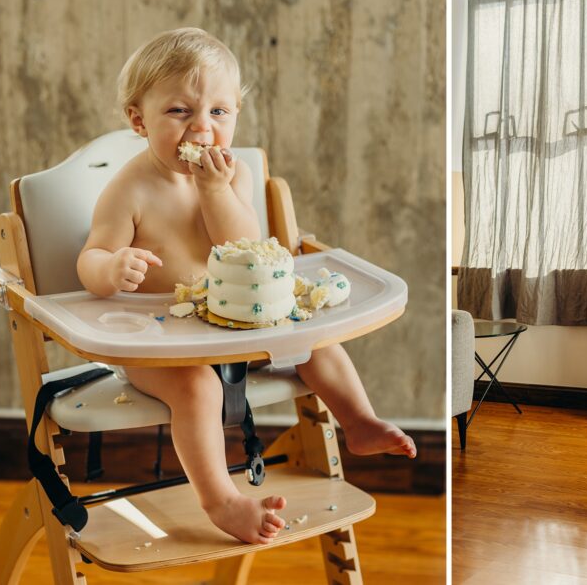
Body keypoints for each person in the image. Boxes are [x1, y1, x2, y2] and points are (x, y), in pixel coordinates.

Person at [77, 28, 416, 545]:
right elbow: (91, 257)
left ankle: (360, 421)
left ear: (236, 114)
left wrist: (214, 191)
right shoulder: (130, 188)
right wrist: (111, 268)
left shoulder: (232, 176)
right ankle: (221, 499)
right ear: (138, 119)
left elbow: (243, 244)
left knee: (314, 342)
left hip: (232, 321)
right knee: (199, 387)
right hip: (159, 340)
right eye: (179, 112)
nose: (202, 129)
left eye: (218, 112)